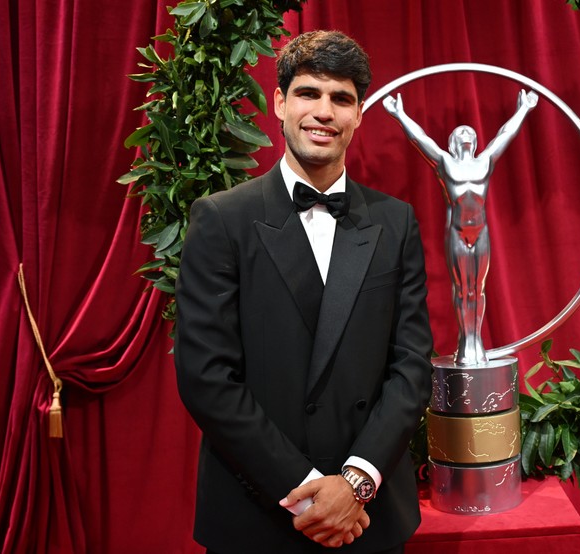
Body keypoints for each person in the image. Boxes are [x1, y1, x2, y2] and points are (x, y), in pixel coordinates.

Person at [174, 30, 433, 553]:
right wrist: (310, 496)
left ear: (359, 114)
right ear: (279, 103)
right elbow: (206, 378)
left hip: (368, 516)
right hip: (259, 513)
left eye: (341, 98)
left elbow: (412, 367)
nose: (324, 111)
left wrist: (355, 484)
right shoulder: (222, 219)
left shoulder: (395, 221)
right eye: (308, 93)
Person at [382, 90, 538, 365]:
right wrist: (399, 114)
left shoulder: (485, 161)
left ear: (476, 141)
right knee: (462, 288)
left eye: (469, 130)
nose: (466, 132)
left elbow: (505, 135)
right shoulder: (445, 162)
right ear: (454, 142)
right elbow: (421, 140)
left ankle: (476, 341)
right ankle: (466, 343)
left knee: (477, 290)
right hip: (456, 233)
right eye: (460, 131)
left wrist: (523, 109)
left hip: (481, 233)